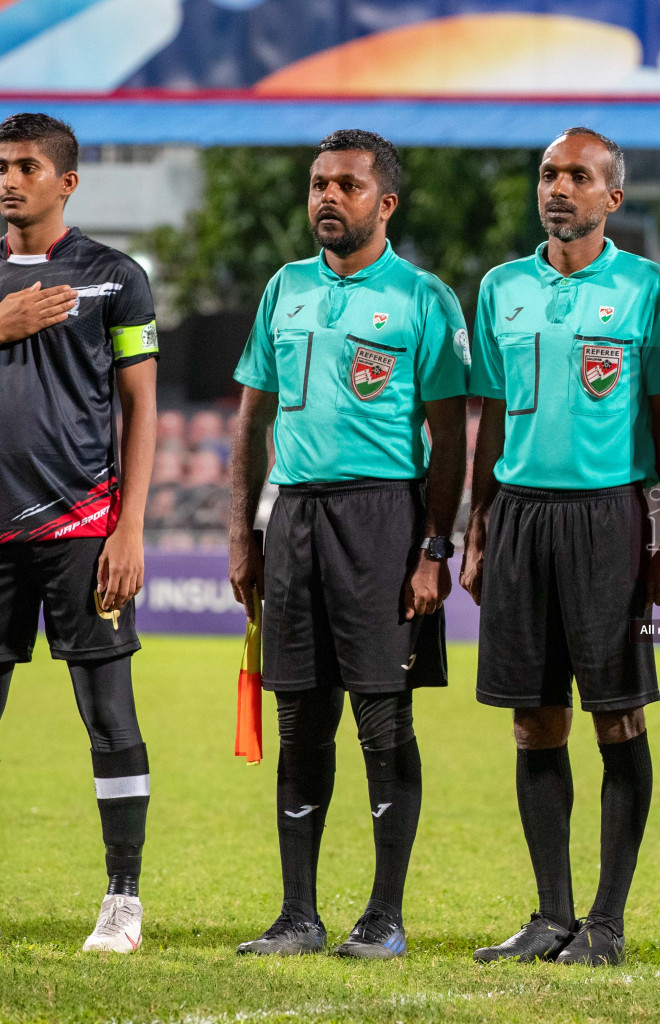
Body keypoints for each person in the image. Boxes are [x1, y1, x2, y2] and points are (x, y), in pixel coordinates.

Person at [228, 129, 468, 960]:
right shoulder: (284, 289)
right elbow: (251, 421)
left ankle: (384, 915)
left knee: (381, 715)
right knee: (299, 717)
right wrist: (242, 534)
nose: (328, 198)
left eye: (348, 186)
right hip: (293, 518)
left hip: (384, 519)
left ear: (385, 202)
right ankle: (299, 915)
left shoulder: (422, 298)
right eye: (319, 184)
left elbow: (451, 435)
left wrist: (435, 550)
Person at [462, 127, 660, 968]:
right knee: (533, 719)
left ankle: (608, 921)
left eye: (579, 176)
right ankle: (551, 916)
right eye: (549, 174)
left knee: (616, 716)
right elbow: (487, 415)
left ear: (612, 198)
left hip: (611, 515)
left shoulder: (647, 287)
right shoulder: (499, 288)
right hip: (520, 516)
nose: (559, 187)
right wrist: (477, 526)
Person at [0, 112, 159, 954]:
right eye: (1, 164)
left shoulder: (113, 277)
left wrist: (130, 527)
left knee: (108, 713)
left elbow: (141, 405)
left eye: (27, 165)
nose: (9, 178)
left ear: (66, 180)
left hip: (81, 529)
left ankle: (122, 899)